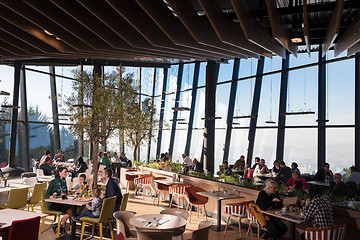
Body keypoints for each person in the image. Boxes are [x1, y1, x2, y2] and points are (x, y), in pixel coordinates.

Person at [45, 167, 72, 235]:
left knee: (72, 209)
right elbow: (46, 195)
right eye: (65, 172)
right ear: (60, 173)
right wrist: (52, 196)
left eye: (66, 172)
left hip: (61, 202)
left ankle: (58, 224)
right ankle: (61, 226)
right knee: (70, 210)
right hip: (53, 204)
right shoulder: (53, 182)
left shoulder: (64, 181)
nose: (66, 173)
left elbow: (64, 191)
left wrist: (64, 194)